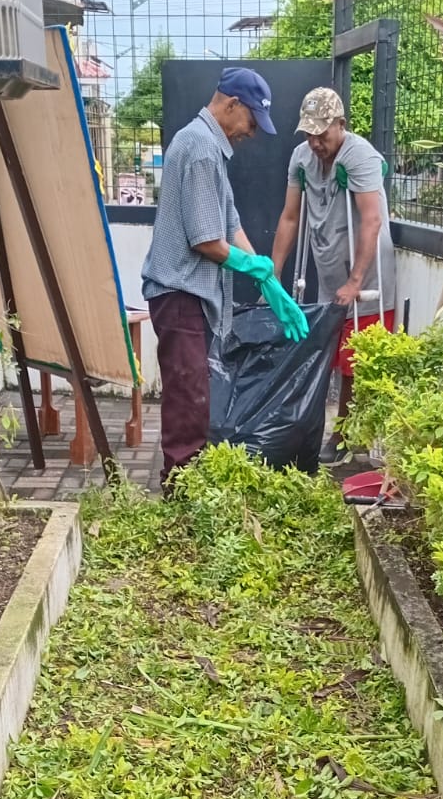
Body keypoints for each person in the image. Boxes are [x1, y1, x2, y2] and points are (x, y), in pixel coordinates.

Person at [142, 67, 307, 492]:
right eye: (252, 120)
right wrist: (252, 268)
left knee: (194, 398)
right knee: (187, 403)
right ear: (232, 104)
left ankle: (186, 488)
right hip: (180, 294)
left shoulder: (210, 148)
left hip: (188, 297)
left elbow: (230, 224)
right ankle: (180, 495)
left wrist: (268, 277)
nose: (252, 132)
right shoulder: (199, 147)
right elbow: (205, 241)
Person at [271, 87, 397, 462]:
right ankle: (314, 429)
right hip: (328, 272)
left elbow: (371, 221)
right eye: (308, 133)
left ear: (341, 124)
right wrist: (272, 274)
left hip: (367, 278)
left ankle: (345, 436)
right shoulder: (301, 158)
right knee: (325, 354)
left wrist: (355, 282)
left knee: (356, 362)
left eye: (321, 133)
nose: (315, 142)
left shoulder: (361, 157)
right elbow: (290, 217)